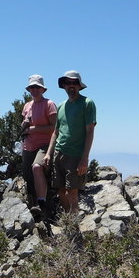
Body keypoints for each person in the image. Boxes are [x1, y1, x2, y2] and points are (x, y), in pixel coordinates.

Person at [43, 70, 97, 215]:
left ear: (79, 86)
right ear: (64, 86)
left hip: (75, 155)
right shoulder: (61, 106)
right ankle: (69, 220)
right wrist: (49, 153)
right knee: (60, 191)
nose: (71, 86)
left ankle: (74, 225)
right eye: (67, 83)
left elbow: (90, 131)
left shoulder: (87, 103)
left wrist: (84, 158)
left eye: (74, 83)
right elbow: (56, 132)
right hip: (59, 154)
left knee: (72, 192)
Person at [20, 74, 57, 217]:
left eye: (37, 87)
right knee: (28, 176)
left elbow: (55, 127)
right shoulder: (27, 106)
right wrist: (24, 127)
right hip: (28, 145)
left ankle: (42, 204)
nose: (34, 90)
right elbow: (25, 124)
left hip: (44, 144)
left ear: (42, 89)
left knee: (37, 167)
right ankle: (33, 207)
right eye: (32, 87)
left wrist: (34, 129)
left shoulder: (49, 104)